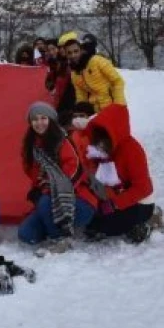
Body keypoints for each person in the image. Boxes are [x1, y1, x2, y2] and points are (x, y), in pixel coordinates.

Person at [17, 102, 97, 252]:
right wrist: (36, 190)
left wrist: (47, 192)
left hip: (78, 201)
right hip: (48, 203)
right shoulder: (31, 146)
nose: (39, 123)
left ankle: (61, 239)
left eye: (43, 118)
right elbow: (35, 176)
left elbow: (75, 171)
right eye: (34, 119)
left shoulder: (63, 141)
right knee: (26, 234)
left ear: (51, 120)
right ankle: (54, 225)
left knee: (45, 201)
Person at [83, 105, 164, 243]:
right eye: (98, 134)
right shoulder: (100, 150)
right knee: (91, 224)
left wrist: (115, 203)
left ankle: (149, 220)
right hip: (111, 197)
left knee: (109, 227)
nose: (99, 139)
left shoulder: (132, 150)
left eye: (105, 134)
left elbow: (144, 188)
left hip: (138, 202)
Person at [59, 32, 126, 112]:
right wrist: (81, 110)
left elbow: (117, 81)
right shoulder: (74, 73)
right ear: (66, 55)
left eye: (76, 51)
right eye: (69, 53)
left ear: (81, 50)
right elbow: (81, 94)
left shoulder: (97, 61)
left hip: (112, 106)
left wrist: (119, 105)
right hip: (96, 109)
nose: (73, 55)